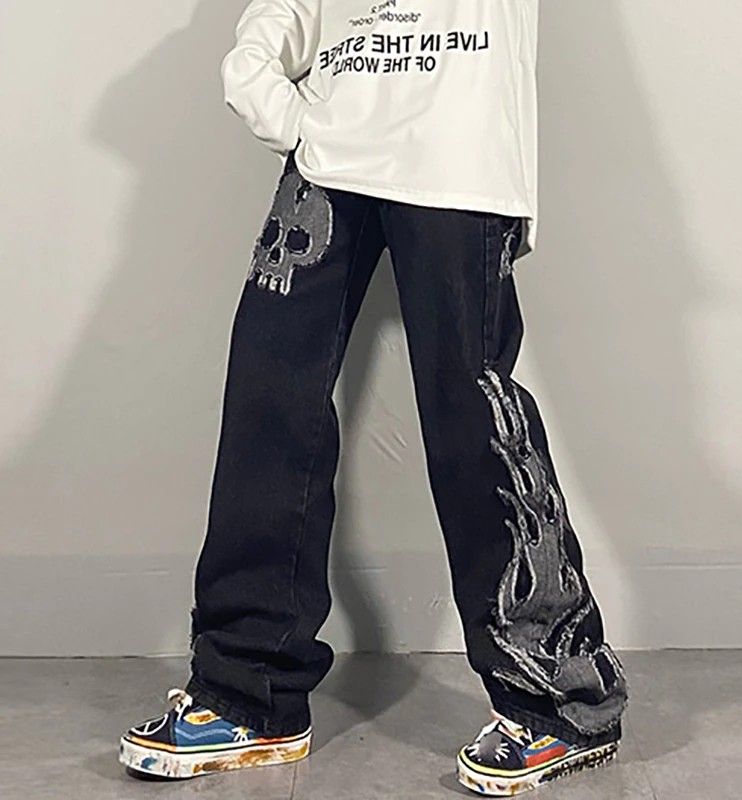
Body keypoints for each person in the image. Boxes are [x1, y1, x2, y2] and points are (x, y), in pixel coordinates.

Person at [119, 1, 628, 794]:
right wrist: (258, 68)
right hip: (329, 155)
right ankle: (249, 690)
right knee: (267, 393)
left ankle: (559, 699)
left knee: (469, 409)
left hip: (454, 152)